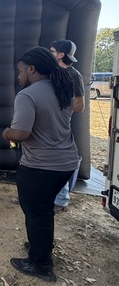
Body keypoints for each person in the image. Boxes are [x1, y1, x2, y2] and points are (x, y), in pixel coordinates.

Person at [2, 47, 79, 282]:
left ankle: (41, 264)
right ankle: (40, 247)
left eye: (20, 71)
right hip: (66, 163)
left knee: (36, 213)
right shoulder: (63, 89)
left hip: (40, 166)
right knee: (44, 211)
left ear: (32, 69)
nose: (18, 76)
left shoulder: (27, 95)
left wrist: (6, 133)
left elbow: (20, 133)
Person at [50, 40, 85, 212]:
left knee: (58, 161)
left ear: (61, 54)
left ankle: (61, 200)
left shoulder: (74, 75)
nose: (50, 53)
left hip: (59, 125)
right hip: (44, 122)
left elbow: (80, 106)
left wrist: (59, 108)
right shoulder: (50, 72)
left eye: (52, 51)